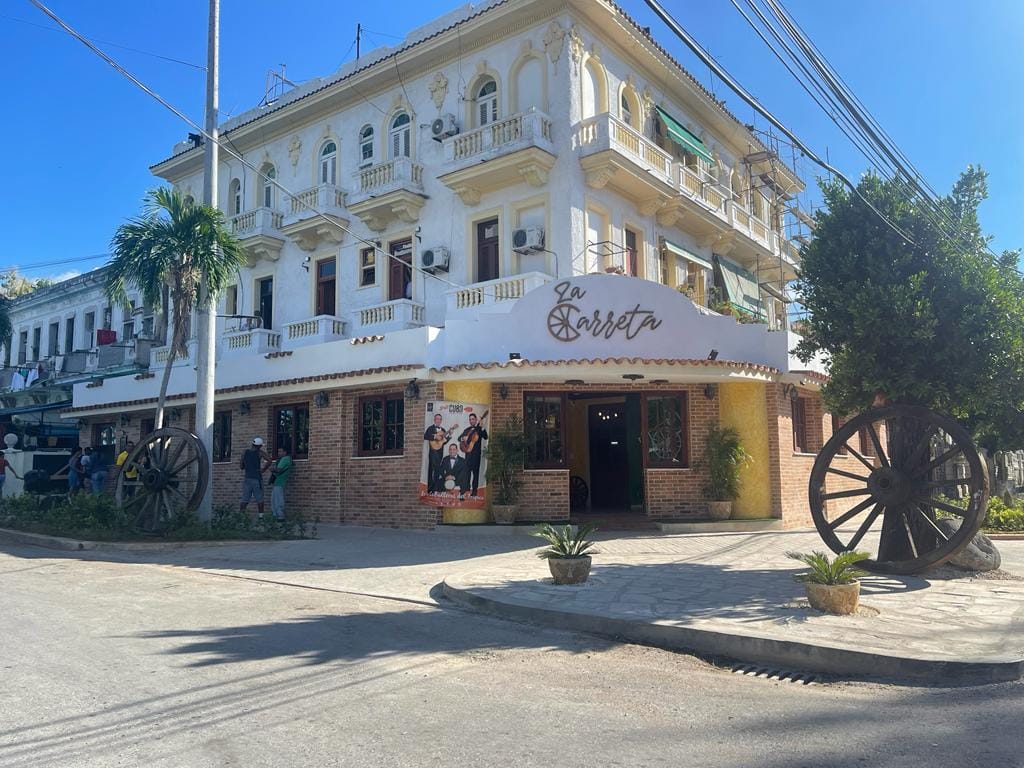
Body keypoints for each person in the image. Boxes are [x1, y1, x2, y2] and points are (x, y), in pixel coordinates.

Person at [457, 412, 489, 497]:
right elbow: (459, 438)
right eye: (470, 419)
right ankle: (466, 489)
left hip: (476, 456)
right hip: (467, 455)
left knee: (475, 474)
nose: (471, 421)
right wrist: (463, 438)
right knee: (466, 473)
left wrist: (482, 427)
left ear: (476, 420)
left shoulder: (479, 429)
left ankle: (474, 492)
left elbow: (486, 437)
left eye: (473, 419)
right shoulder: (466, 430)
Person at [423, 413, 455, 493]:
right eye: (437, 419)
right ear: (434, 420)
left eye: (440, 419)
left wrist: (449, 435)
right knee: (432, 470)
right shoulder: (430, 428)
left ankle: (435, 488)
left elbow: (443, 442)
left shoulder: (443, 430)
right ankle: (430, 489)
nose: (438, 420)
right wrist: (435, 436)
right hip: (433, 452)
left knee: (437, 470)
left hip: (440, 453)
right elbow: (425, 436)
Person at [239, 437, 269, 517]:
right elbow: (269, 460)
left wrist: (247, 465)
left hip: (247, 479)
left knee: (245, 499)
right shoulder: (259, 452)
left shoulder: (245, 452)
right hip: (257, 479)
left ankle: (240, 517)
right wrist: (263, 469)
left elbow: (241, 466)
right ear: (259, 446)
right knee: (260, 499)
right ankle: (261, 517)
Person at [269, 445, 293, 520]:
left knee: (278, 500)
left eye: (280, 451)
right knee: (274, 499)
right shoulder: (284, 459)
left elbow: (279, 470)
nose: (278, 453)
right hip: (277, 482)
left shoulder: (285, 459)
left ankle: (280, 516)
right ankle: (275, 515)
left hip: (280, 482)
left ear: (285, 452)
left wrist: (272, 469)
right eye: (278, 451)